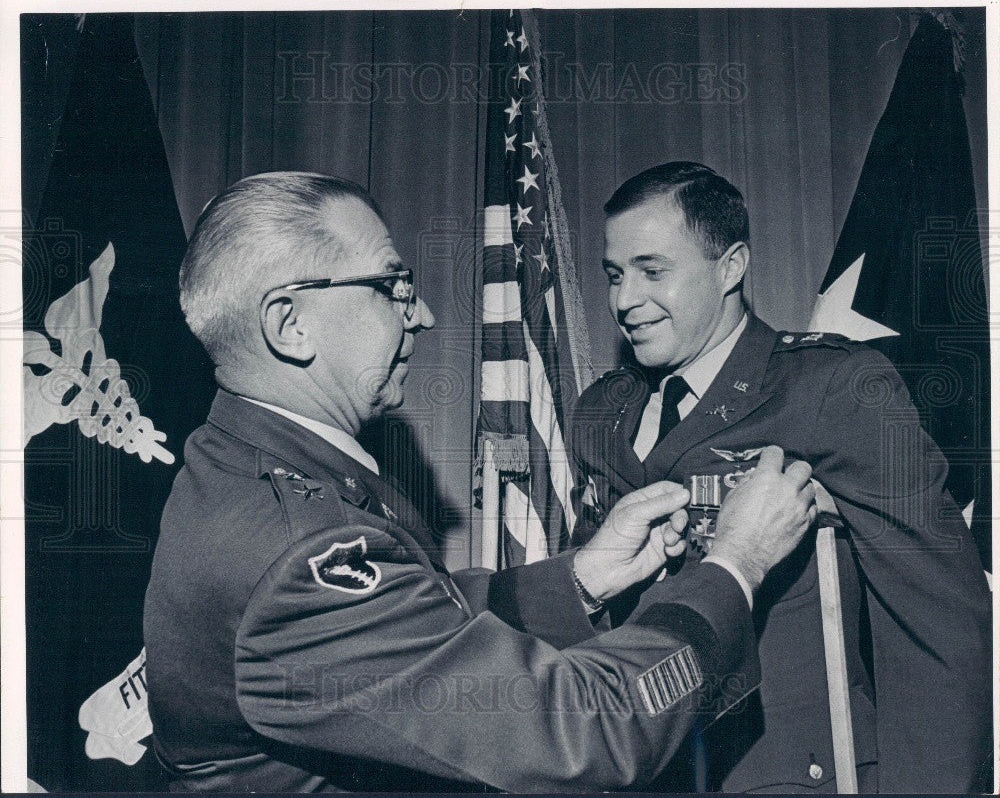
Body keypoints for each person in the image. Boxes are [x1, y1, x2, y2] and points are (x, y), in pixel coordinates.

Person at [143, 171, 819, 793]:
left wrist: (581, 579)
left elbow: (414, 624)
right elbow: (585, 730)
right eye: (392, 287)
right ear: (290, 324)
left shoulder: (250, 465)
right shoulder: (291, 553)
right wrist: (736, 563)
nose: (424, 315)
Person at [569, 161, 992, 793]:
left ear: (731, 266)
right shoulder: (601, 412)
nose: (625, 300)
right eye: (615, 274)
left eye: (652, 271)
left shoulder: (832, 388)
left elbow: (942, 630)